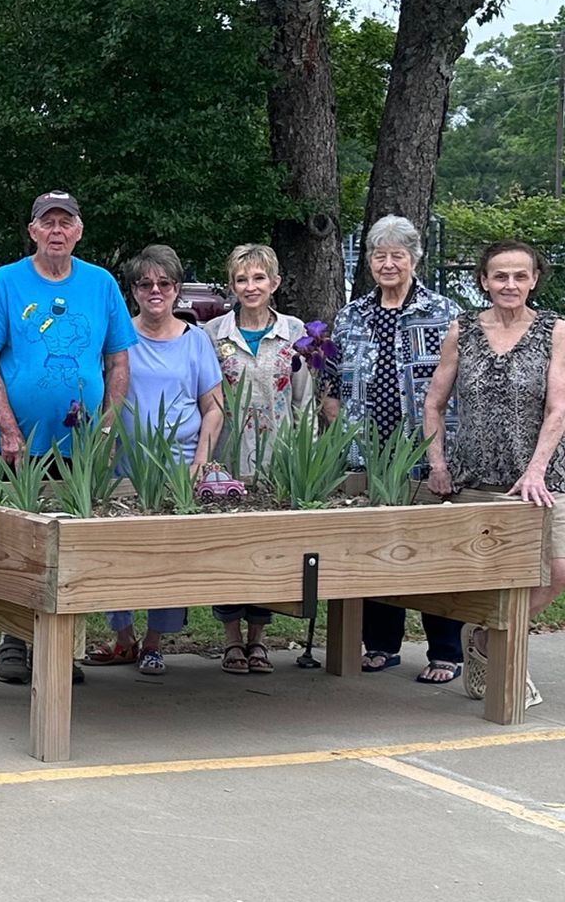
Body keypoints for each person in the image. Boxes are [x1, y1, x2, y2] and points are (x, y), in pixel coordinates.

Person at [0, 191, 134, 684]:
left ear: (79, 231)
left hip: (79, 449)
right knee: (19, 548)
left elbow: (119, 361)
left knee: (71, 549)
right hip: (17, 447)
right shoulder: (6, 281)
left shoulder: (101, 284)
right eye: (48, 223)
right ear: (33, 231)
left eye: (67, 222)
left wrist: (106, 426)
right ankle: (14, 641)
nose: (57, 231)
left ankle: (60, 646)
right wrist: (9, 431)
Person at [320, 215, 464, 682]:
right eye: (378, 255)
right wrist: (342, 433)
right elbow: (331, 385)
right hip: (366, 454)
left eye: (396, 255)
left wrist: (443, 452)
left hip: (423, 455)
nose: (387, 263)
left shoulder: (444, 313)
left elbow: (457, 389)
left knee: (434, 554)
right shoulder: (352, 315)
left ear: (414, 259)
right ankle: (381, 645)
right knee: (375, 549)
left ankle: (445, 649)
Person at [423, 239, 555, 707]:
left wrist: (536, 470)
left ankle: (480, 641)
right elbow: (434, 403)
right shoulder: (463, 331)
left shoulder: (555, 331)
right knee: (494, 580)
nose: (510, 284)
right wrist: (437, 463)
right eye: (500, 276)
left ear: (534, 279)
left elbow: (559, 409)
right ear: (484, 280)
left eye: (520, 275)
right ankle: (505, 665)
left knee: (555, 573)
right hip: (476, 476)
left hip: (541, 479)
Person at [81, 245, 221, 676]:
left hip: (178, 464)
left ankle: (156, 642)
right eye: (146, 284)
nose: (155, 291)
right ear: (134, 290)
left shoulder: (194, 340)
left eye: (164, 283)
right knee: (118, 555)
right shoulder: (118, 336)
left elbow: (213, 407)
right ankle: (122, 635)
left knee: (168, 558)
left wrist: (200, 462)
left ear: (177, 288)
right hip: (123, 463)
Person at [202, 243, 315, 670]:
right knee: (229, 549)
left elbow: (305, 400)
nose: (251, 287)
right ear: (232, 285)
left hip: (279, 456)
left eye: (259, 278)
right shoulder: (213, 335)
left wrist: (307, 453)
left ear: (275, 283)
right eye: (242, 279)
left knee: (270, 550)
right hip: (229, 455)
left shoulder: (295, 331)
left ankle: (258, 638)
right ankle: (231, 639)